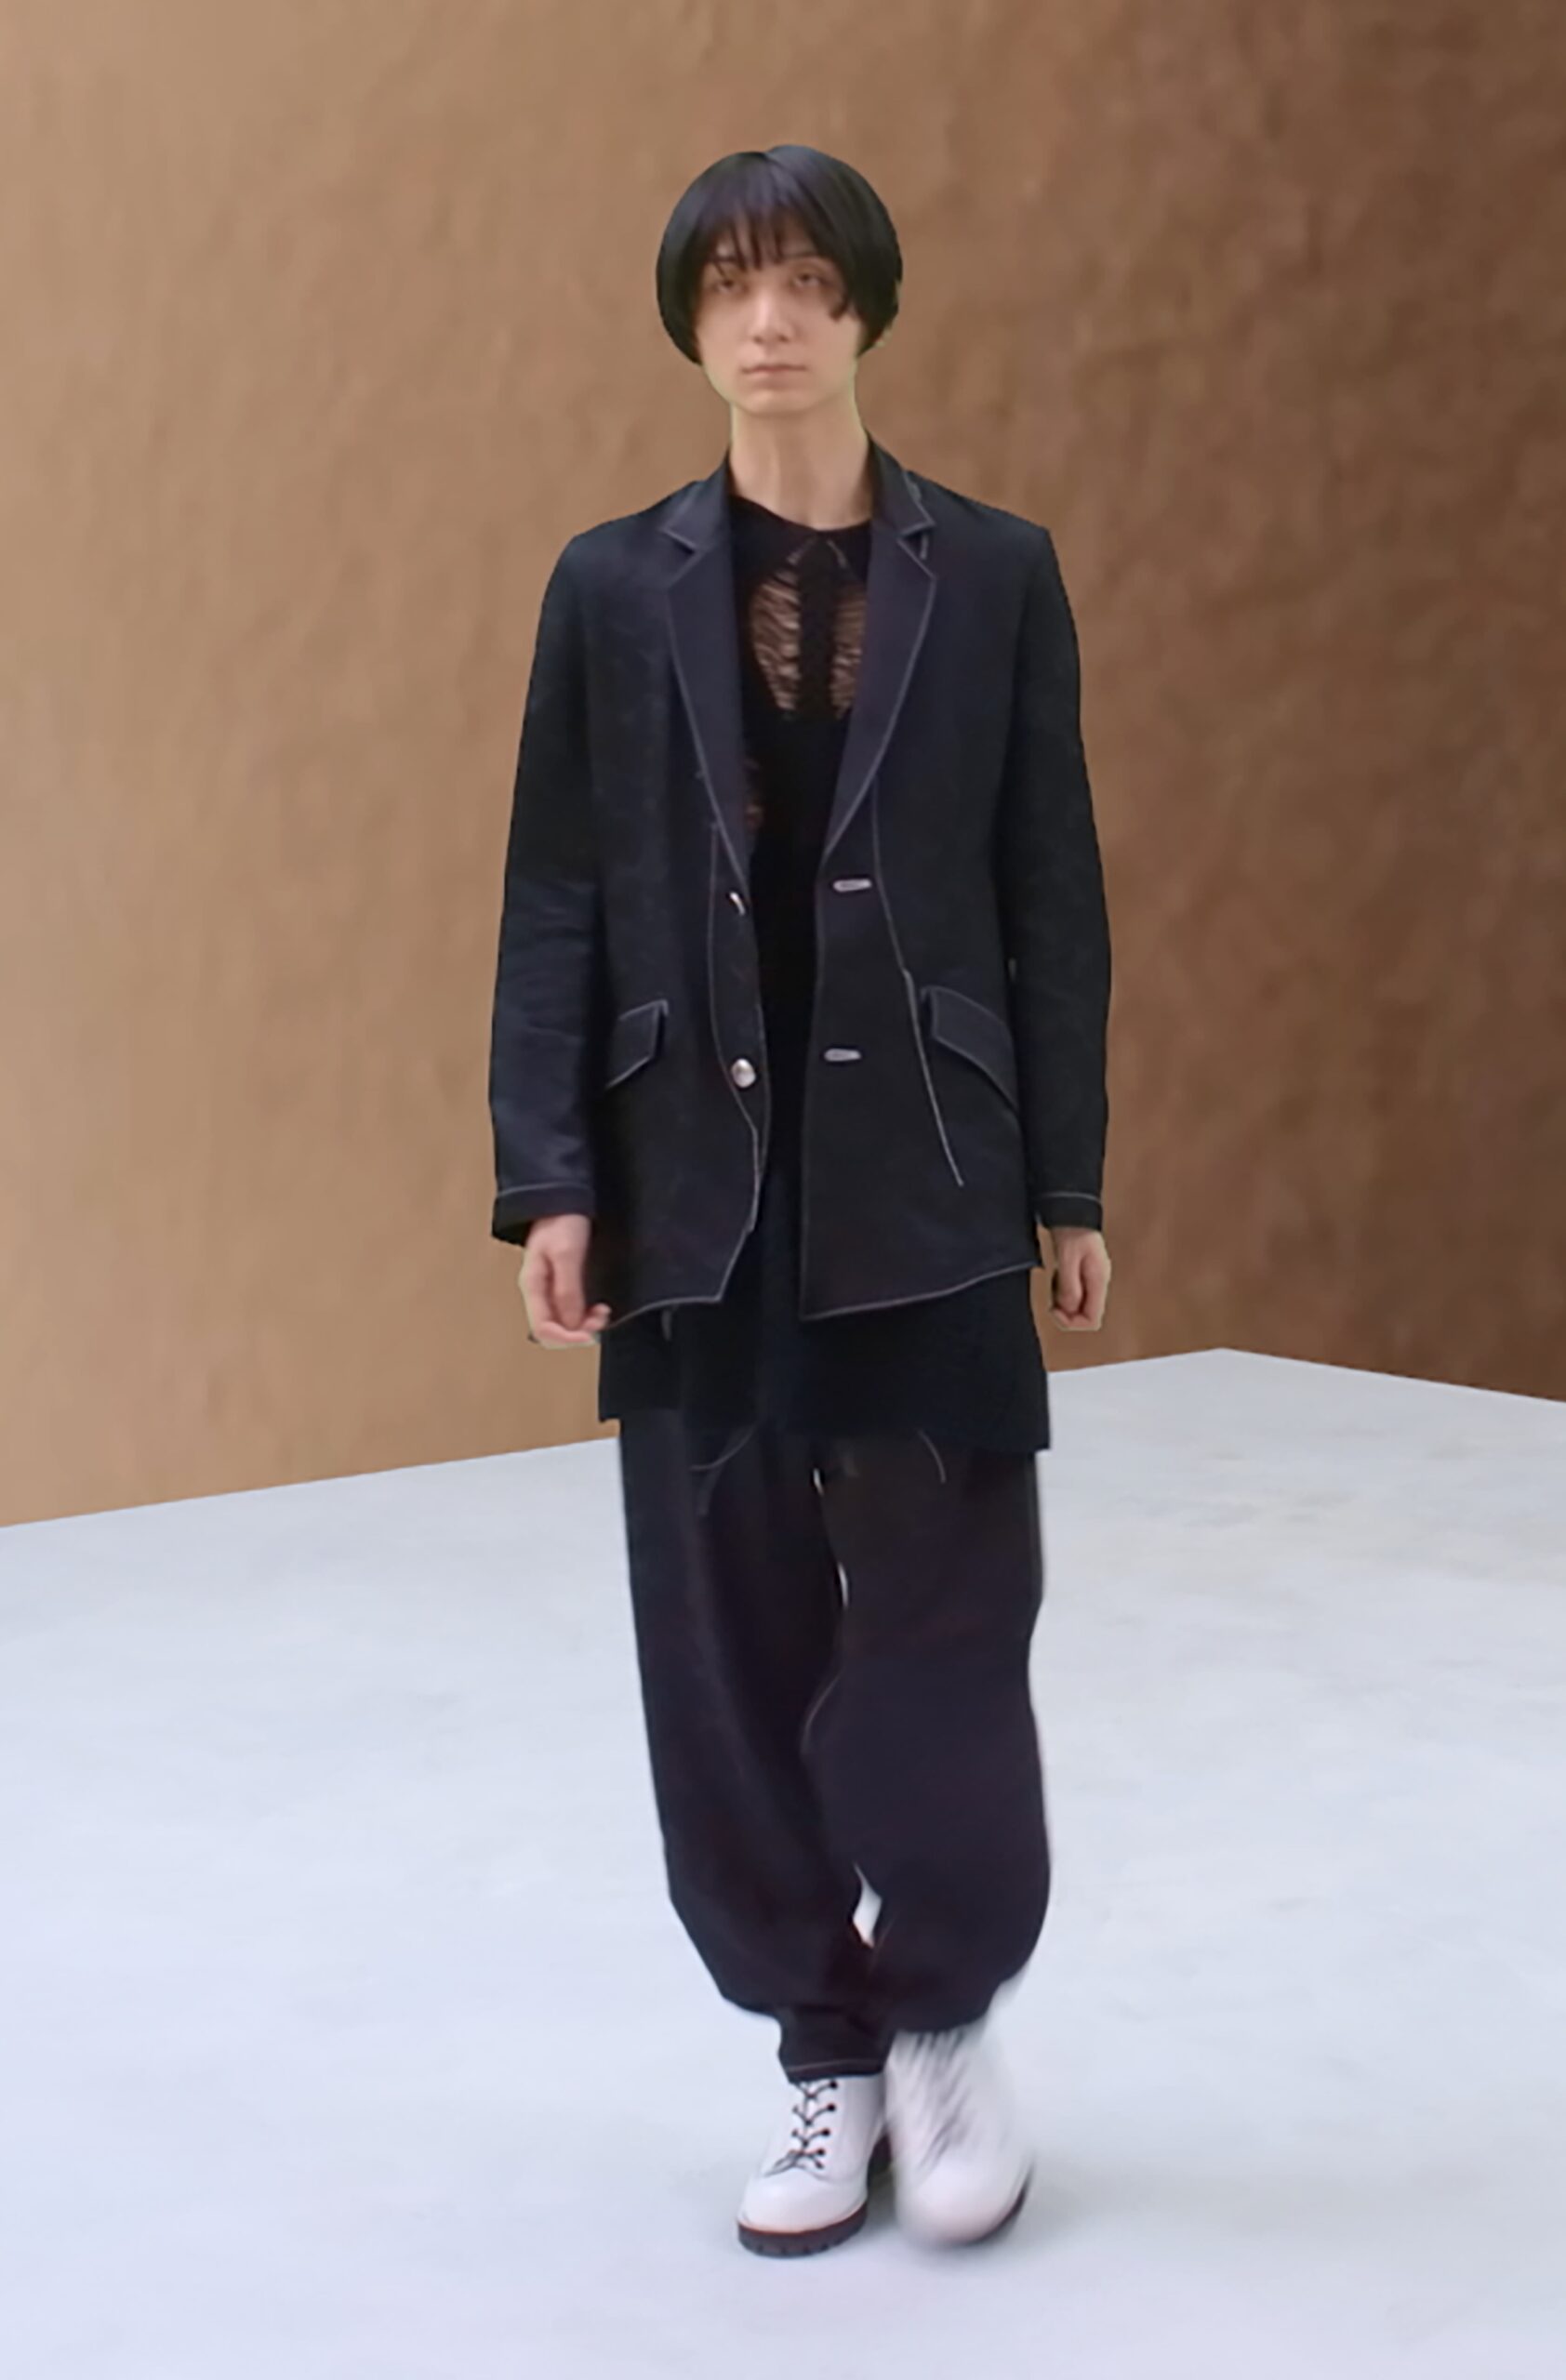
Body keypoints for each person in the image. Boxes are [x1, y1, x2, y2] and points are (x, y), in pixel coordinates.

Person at [487, 144, 1112, 2257]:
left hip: (927, 1179)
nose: (771, 321)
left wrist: (1066, 1175)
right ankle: (815, 2049)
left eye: (810, 284)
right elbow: (557, 893)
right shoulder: (608, 587)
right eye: (734, 285)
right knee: (723, 1645)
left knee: (945, 1632)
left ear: (866, 311)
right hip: (689, 1190)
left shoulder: (995, 572)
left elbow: (1049, 890)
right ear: (689, 318)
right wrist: (549, 1175)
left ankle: (940, 2016)